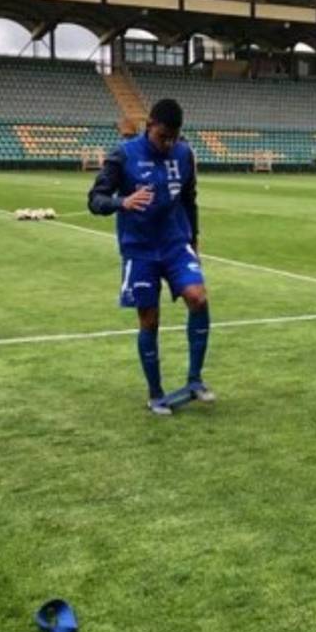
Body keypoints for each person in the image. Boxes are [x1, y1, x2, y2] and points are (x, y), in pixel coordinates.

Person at [87, 98, 212, 416]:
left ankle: (195, 380)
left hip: (174, 242)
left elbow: (189, 198)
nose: (168, 143)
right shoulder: (124, 154)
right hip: (139, 247)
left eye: (173, 137)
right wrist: (122, 202)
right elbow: (95, 199)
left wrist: (193, 238)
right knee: (149, 319)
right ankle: (155, 393)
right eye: (162, 137)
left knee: (198, 298)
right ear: (149, 126)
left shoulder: (184, 154)